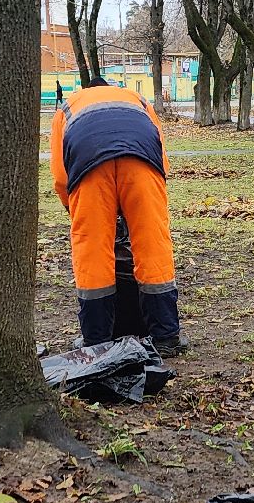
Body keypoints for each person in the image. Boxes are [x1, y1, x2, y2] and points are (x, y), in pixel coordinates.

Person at [49, 78, 185, 354]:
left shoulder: (67, 108)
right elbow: (161, 156)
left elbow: (61, 176)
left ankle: (96, 340)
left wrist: (72, 208)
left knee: (92, 253)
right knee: (152, 246)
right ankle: (166, 336)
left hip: (89, 170)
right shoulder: (138, 100)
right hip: (142, 165)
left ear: (85, 90)